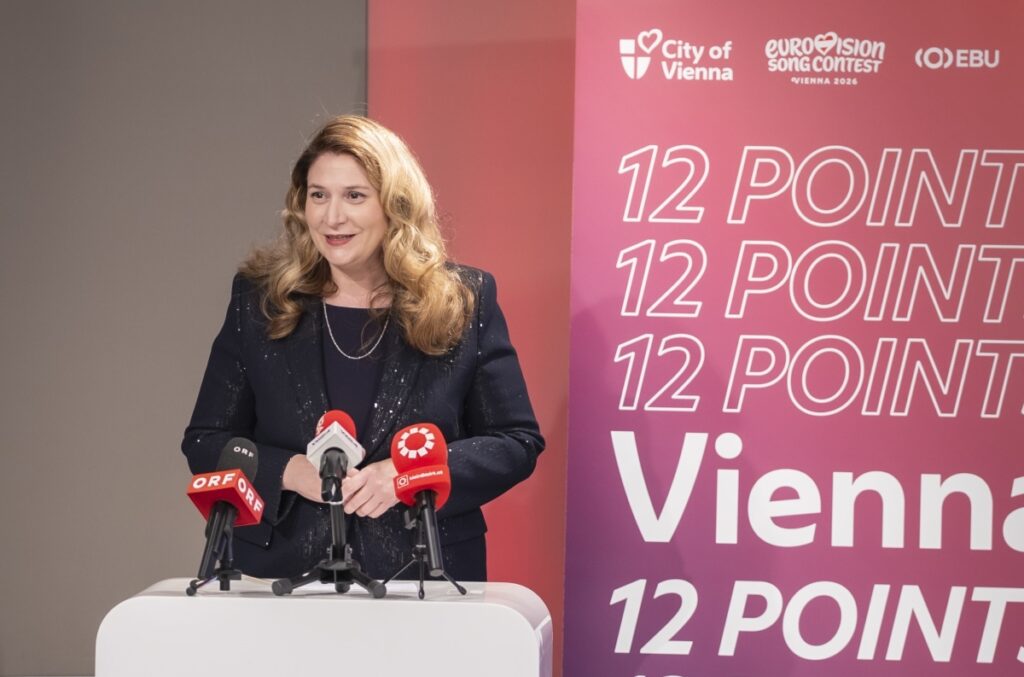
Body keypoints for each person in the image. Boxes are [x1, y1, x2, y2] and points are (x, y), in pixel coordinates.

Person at [182, 115, 543, 582]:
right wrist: (289, 471)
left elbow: (516, 443)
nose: (332, 217)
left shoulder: (462, 299)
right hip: (281, 582)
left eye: (354, 196)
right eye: (319, 195)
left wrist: (409, 475)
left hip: (420, 583)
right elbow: (205, 440)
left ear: (394, 205)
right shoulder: (260, 301)